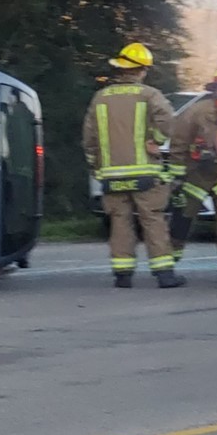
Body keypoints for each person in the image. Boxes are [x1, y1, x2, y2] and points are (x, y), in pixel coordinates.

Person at [82, 42, 186, 289]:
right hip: (145, 173)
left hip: (111, 175)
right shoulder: (149, 94)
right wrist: (157, 141)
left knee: (120, 222)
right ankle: (164, 275)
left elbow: (89, 139)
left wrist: (96, 168)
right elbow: (169, 121)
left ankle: (123, 274)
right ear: (141, 71)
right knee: (153, 220)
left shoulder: (100, 98)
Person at [167, 64, 217, 270]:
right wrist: (177, 174)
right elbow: (179, 141)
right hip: (196, 174)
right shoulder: (197, 111)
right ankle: (169, 264)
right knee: (181, 219)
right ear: (216, 89)